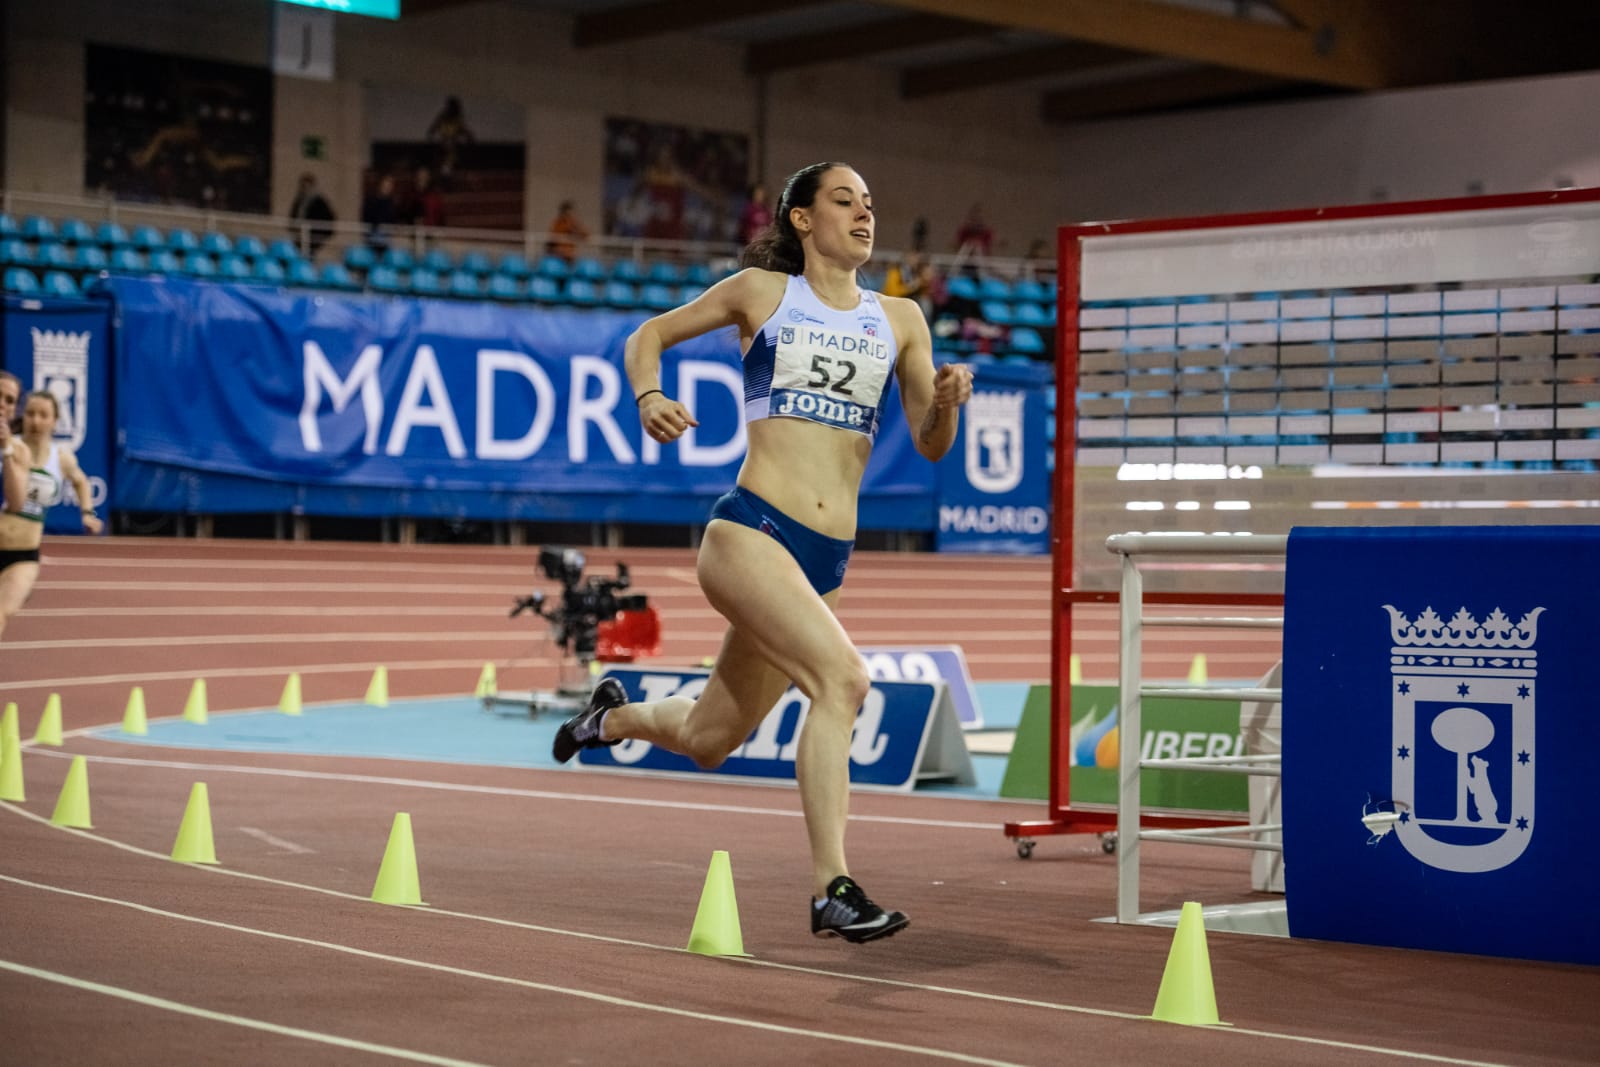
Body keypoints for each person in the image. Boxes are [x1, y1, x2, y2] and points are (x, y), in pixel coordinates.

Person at [552, 162, 975, 943]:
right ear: (804, 220)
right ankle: (831, 887)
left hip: (825, 560)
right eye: (844, 200)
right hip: (751, 533)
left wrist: (946, 406)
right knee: (843, 679)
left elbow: (930, 443)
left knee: (712, 737)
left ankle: (611, 719)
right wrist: (648, 395)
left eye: (870, 202)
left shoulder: (902, 320)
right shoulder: (762, 294)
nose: (863, 212)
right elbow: (647, 337)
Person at [288, 172, 337, 259]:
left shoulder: (319, 201)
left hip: (312, 235)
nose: (305, 188)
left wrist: (320, 233)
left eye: (307, 185)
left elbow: (330, 218)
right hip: (299, 234)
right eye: (303, 186)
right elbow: (293, 214)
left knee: (309, 255)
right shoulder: (299, 199)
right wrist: (292, 227)